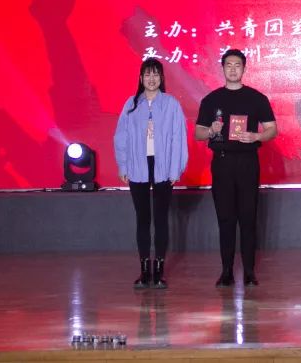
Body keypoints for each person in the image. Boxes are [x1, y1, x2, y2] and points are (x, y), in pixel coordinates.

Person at [195, 49, 277, 287]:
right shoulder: (211, 100)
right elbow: (198, 133)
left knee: (248, 217)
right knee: (225, 218)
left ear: (244, 68)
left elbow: (272, 129)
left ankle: (250, 272)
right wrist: (211, 131)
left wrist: (256, 136)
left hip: (248, 162)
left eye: (237, 65)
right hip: (222, 162)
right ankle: (227, 271)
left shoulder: (256, 98)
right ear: (222, 68)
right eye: (228, 65)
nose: (233, 69)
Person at [114, 58, 189, 289]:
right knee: (143, 218)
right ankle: (144, 269)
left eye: (156, 74)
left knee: (161, 219)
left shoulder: (171, 104)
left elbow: (178, 138)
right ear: (141, 78)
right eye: (147, 74)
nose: (151, 78)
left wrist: (176, 168)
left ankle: (160, 270)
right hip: (138, 164)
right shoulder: (131, 104)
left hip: (163, 166)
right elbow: (121, 136)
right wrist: (123, 165)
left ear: (161, 78)